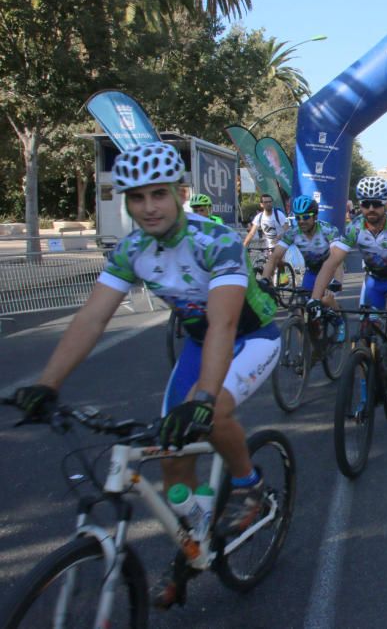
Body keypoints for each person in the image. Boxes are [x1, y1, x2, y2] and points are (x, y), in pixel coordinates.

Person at [10, 142, 280, 608]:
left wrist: (202, 398)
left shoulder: (215, 241)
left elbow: (224, 324)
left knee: (211, 411)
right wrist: (46, 383)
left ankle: (249, 486)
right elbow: (91, 319)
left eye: (159, 195)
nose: (148, 207)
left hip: (250, 339)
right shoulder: (132, 249)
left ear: (179, 193)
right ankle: (193, 546)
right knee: (174, 465)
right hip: (200, 345)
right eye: (136, 197)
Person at [309, 176, 387, 377]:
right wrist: (315, 298)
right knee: (363, 337)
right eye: (365, 203)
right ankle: (365, 394)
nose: (370, 208)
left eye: (376, 204)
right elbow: (331, 263)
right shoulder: (355, 227)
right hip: (374, 280)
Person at [262, 195, 345, 342]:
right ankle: (309, 344)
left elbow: (336, 260)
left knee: (325, 299)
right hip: (312, 273)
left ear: (315, 216)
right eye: (298, 217)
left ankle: (339, 322)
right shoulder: (293, 233)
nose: (301, 221)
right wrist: (264, 279)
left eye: (306, 217)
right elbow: (274, 257)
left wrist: (336, 282)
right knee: (299, 307)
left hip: (330, 271)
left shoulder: (328, 230)